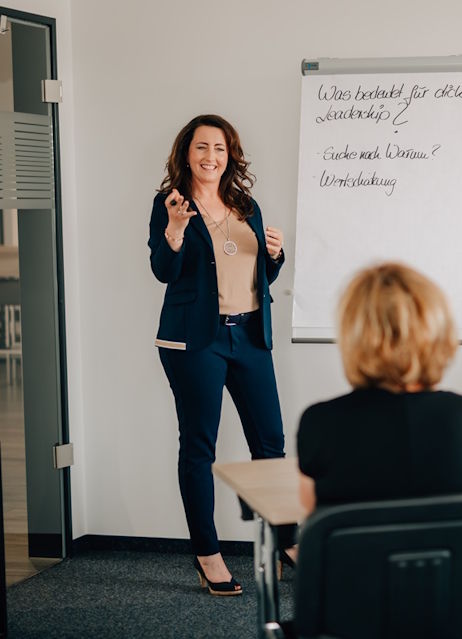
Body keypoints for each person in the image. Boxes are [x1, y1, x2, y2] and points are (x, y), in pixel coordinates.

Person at [148, 114, 290, 596]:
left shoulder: (246, 205)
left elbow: (257, 279)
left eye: (221, 149)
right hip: (195, 342)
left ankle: (286, 540)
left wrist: (274, 256)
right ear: (186, 152)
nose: (212, 157)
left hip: (250, 336)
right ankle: (207, 553)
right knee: (200, 446)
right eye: (203, 147)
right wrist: (173, 228)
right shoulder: (170, 204)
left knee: (270, 443)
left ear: (231, 156)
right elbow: (164, 271)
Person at [297, 262, 462, 513]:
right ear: (440, 333)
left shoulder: (320, 422)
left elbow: (312, 511)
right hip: (447, 553)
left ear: (353, 338)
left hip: (360, 554)